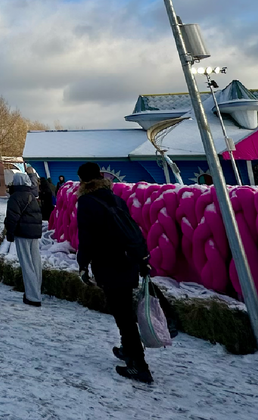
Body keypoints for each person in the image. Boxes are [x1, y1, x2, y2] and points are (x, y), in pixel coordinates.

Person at [76, 161, 154, 384]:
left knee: (123, 316)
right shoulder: (116, 198)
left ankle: (139, 365)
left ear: (82, 180)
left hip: (109, 263)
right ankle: (127, 350)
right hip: (128, 261)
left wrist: (83, 264)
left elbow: (87, 238)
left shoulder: (86, 202)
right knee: (124, 311)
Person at [6, 171, 43, 306]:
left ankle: (32, 296)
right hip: (34, 233)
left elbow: (12, 217)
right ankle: (36, 291)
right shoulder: (31, 195)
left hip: (22, 232)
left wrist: (10, 232)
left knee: (26, 263)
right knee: (35, 263)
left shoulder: (15, 197)